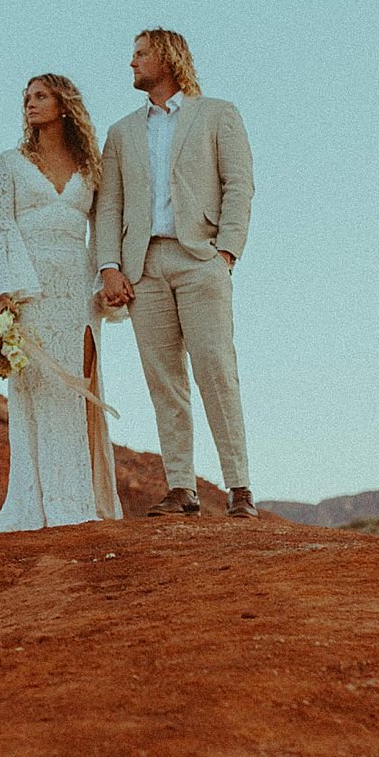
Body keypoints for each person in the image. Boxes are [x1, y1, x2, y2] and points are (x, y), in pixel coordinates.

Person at [96, 29, 257, 518]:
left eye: (141, 53)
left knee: (215, 368)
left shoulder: (218, 114)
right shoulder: (122, 132)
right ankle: (181, 486)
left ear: (167, 58)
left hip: (200, 259)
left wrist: (225, 251)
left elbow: (240, 184)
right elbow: (110, 206)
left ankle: (240, 488)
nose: (132, 63)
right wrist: (109, 266)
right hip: (144, 267)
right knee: (163, 379)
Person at [0, 75, 123, 533]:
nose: (29, 104)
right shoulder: (10, 163)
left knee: (78, 386)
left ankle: (80, 499)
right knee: (38, 387)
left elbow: (103, 227)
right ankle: (38, 504)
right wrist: (9, 293)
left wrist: (104, 279)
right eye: (25, 98)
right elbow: (3, 228)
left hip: (77, 288)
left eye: (40, 96)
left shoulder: (90, 168)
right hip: (32, 288)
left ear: (64, 104)